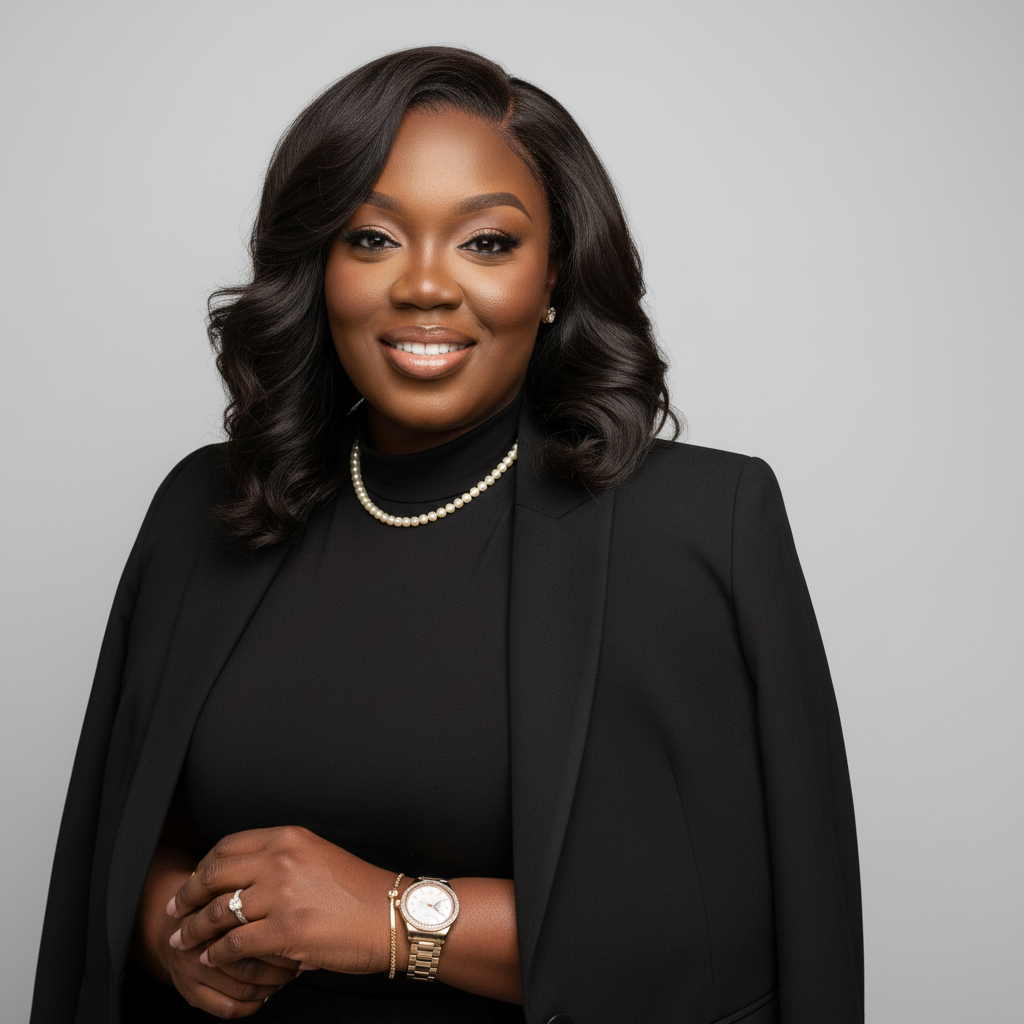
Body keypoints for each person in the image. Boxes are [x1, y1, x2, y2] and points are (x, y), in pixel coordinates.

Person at [30, 46, 863, 1024]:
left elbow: (734, 935)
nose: (424, 285)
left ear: (553, 275)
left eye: (486, 243)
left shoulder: (699, 529)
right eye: (374, 238)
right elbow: (122, 849)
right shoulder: (204, 510)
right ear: (318, 267)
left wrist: (395, 919)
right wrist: (175, 925)